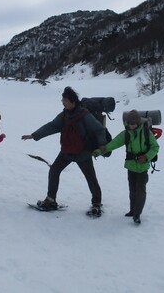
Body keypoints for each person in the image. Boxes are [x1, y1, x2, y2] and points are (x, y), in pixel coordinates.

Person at [22, 86, 106, 215]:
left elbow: (99, 129)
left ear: (73, 102)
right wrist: (34, 135)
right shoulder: (64, 115)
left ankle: (96, 203)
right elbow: (52, 126)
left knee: (90, 177)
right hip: (67, 151)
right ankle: (51, 199)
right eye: (63, 100)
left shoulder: (85, 115)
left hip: (83, 152)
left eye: (65, 101)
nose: (63, 103)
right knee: (54, 170)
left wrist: (101, 145)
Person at [94, 110, 159, 224]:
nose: (132, 125)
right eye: (130, 123)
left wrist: (146, 157)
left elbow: (155, 147)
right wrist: (99, 151)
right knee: (132, 190)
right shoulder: (126, 134)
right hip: (131, 166)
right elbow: (113, 144)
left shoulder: (146, 132)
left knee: (140, 191)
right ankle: (132, 210)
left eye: (134, 123)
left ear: (138, 122)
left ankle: (137, 214)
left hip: (143, 167)